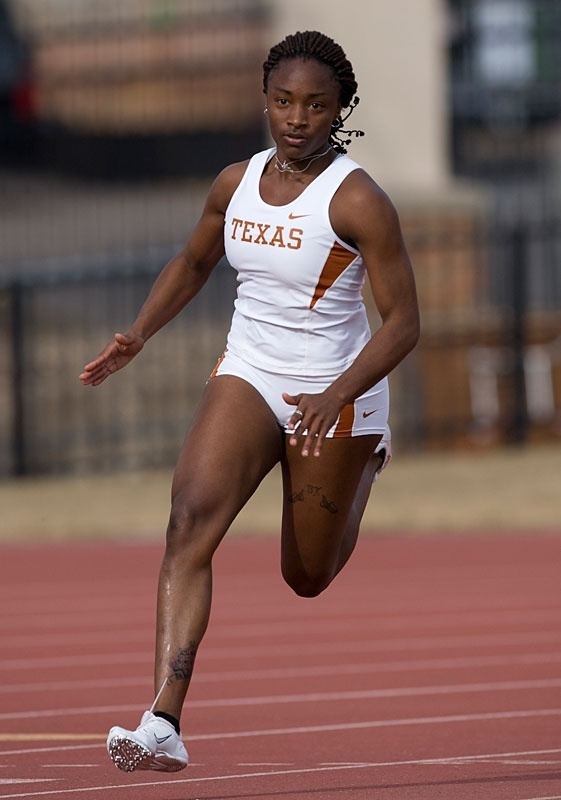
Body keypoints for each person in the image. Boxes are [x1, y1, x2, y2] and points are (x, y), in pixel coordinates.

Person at [80, 30, 419, 773]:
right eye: (282, 101)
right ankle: (162, 719)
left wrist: (337, 395)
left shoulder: (357, 199)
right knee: (188, 521)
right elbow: (195, 259)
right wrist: (137, 333)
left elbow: (404, 324)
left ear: (338, 111)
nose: (296, 118)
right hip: (251, 372)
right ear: (265, 101)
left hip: (334, 391)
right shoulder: (234, 182)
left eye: (314, 105)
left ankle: (366, 460)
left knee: (305, 576)